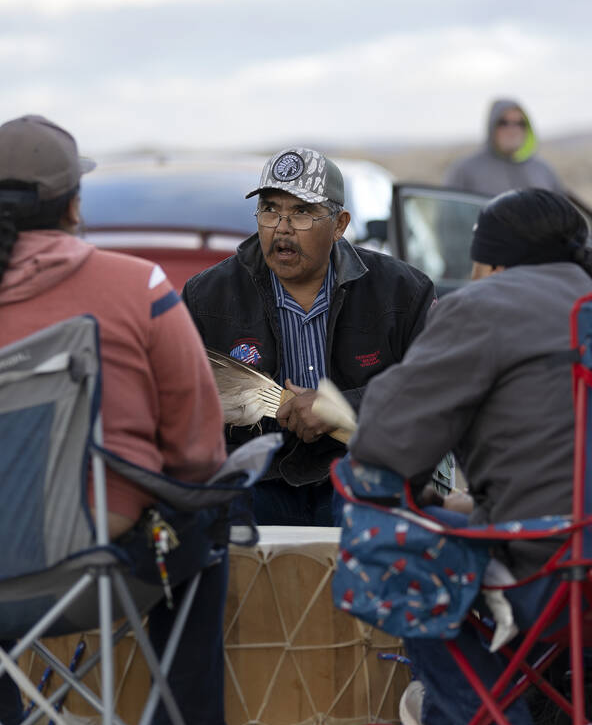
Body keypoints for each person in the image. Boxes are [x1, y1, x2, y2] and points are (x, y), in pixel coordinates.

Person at [0, 114, 228, 725]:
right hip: (87, 569)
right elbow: (198, 456)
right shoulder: (139, 289)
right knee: (208, 511)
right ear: (74, 205)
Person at [349, 189, 592, 725]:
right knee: (464, 526)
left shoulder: (486, 304)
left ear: (491, 261)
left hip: (557, 567)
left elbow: (386, 437)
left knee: (394, 546)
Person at [181, 147, 436, 526]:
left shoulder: (401, 292)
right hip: (258, 478)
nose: (281, 227)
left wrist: (340, 408)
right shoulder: (207, 297)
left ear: (339, 224)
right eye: (270, 209)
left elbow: (433, 389)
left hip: (360, 474)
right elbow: (183, 404)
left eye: (301, 212)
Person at [444, 99, 565, 196]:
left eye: (519, 123)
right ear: (492, 127)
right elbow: (448, 218)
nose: (512, 130)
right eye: (504, 123)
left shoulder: (543, 170)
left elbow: (562, 217)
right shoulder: (465, 170)